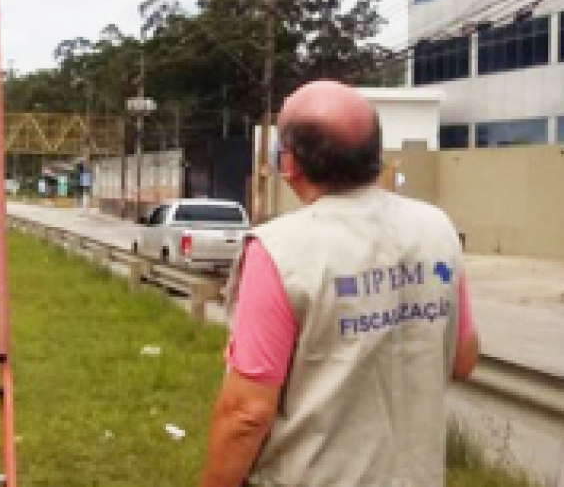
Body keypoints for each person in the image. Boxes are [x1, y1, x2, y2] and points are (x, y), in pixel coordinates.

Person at [199, 80, 479, 486]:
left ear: (289, 163)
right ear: (375, 155)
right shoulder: (436, 227)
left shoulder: (279, 250)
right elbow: (463, 360)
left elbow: (246, 413)